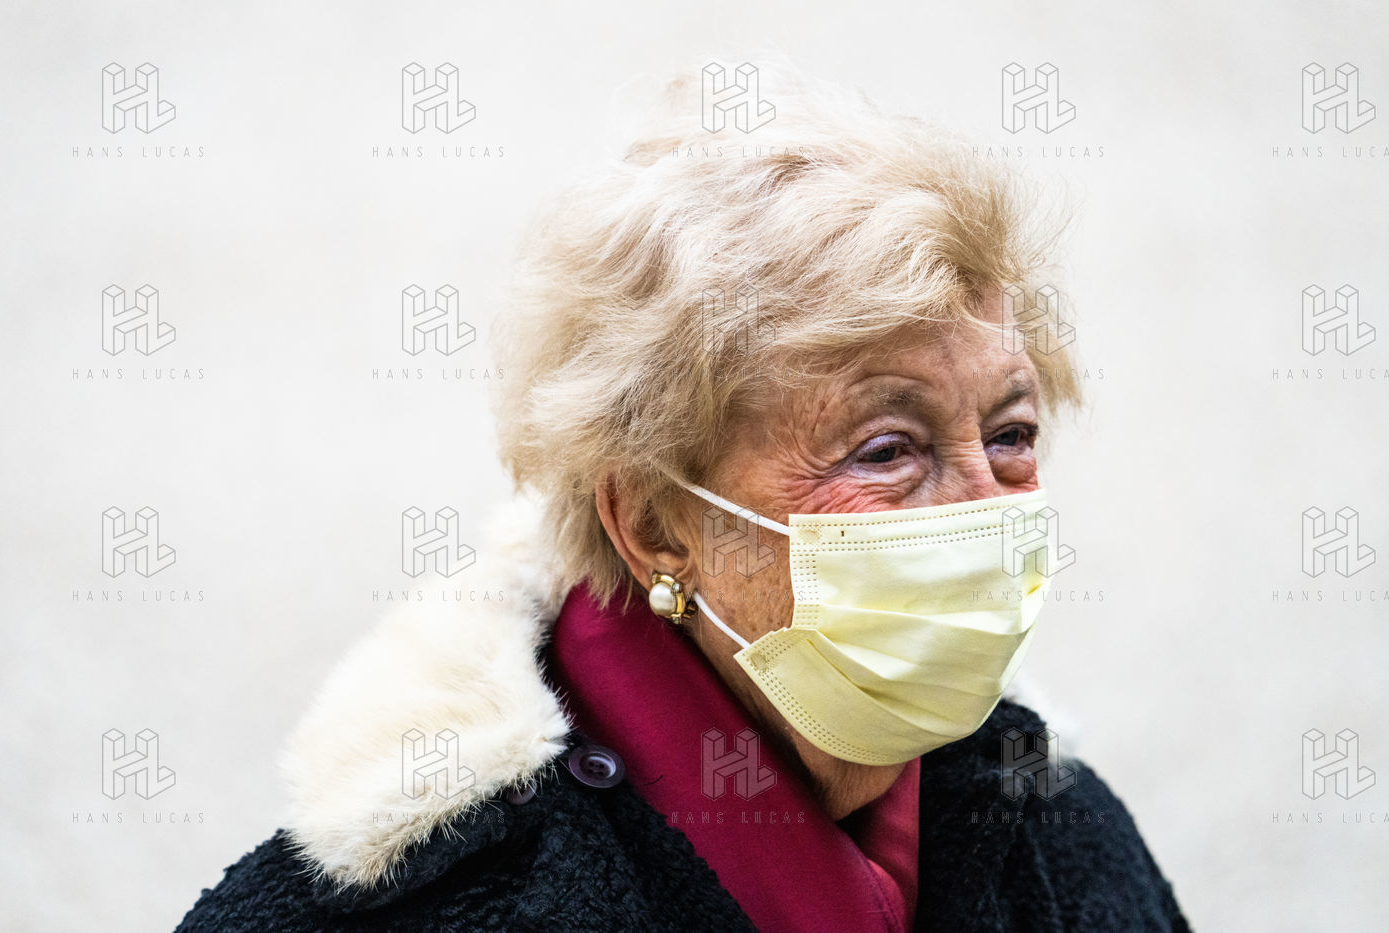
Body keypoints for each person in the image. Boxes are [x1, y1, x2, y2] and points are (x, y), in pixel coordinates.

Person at [177, 62, 1190, 932]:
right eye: (886, 450)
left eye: (1009, 435)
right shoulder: (400, 904)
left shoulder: (1056, 830)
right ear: (656, 525)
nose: (978, 506)